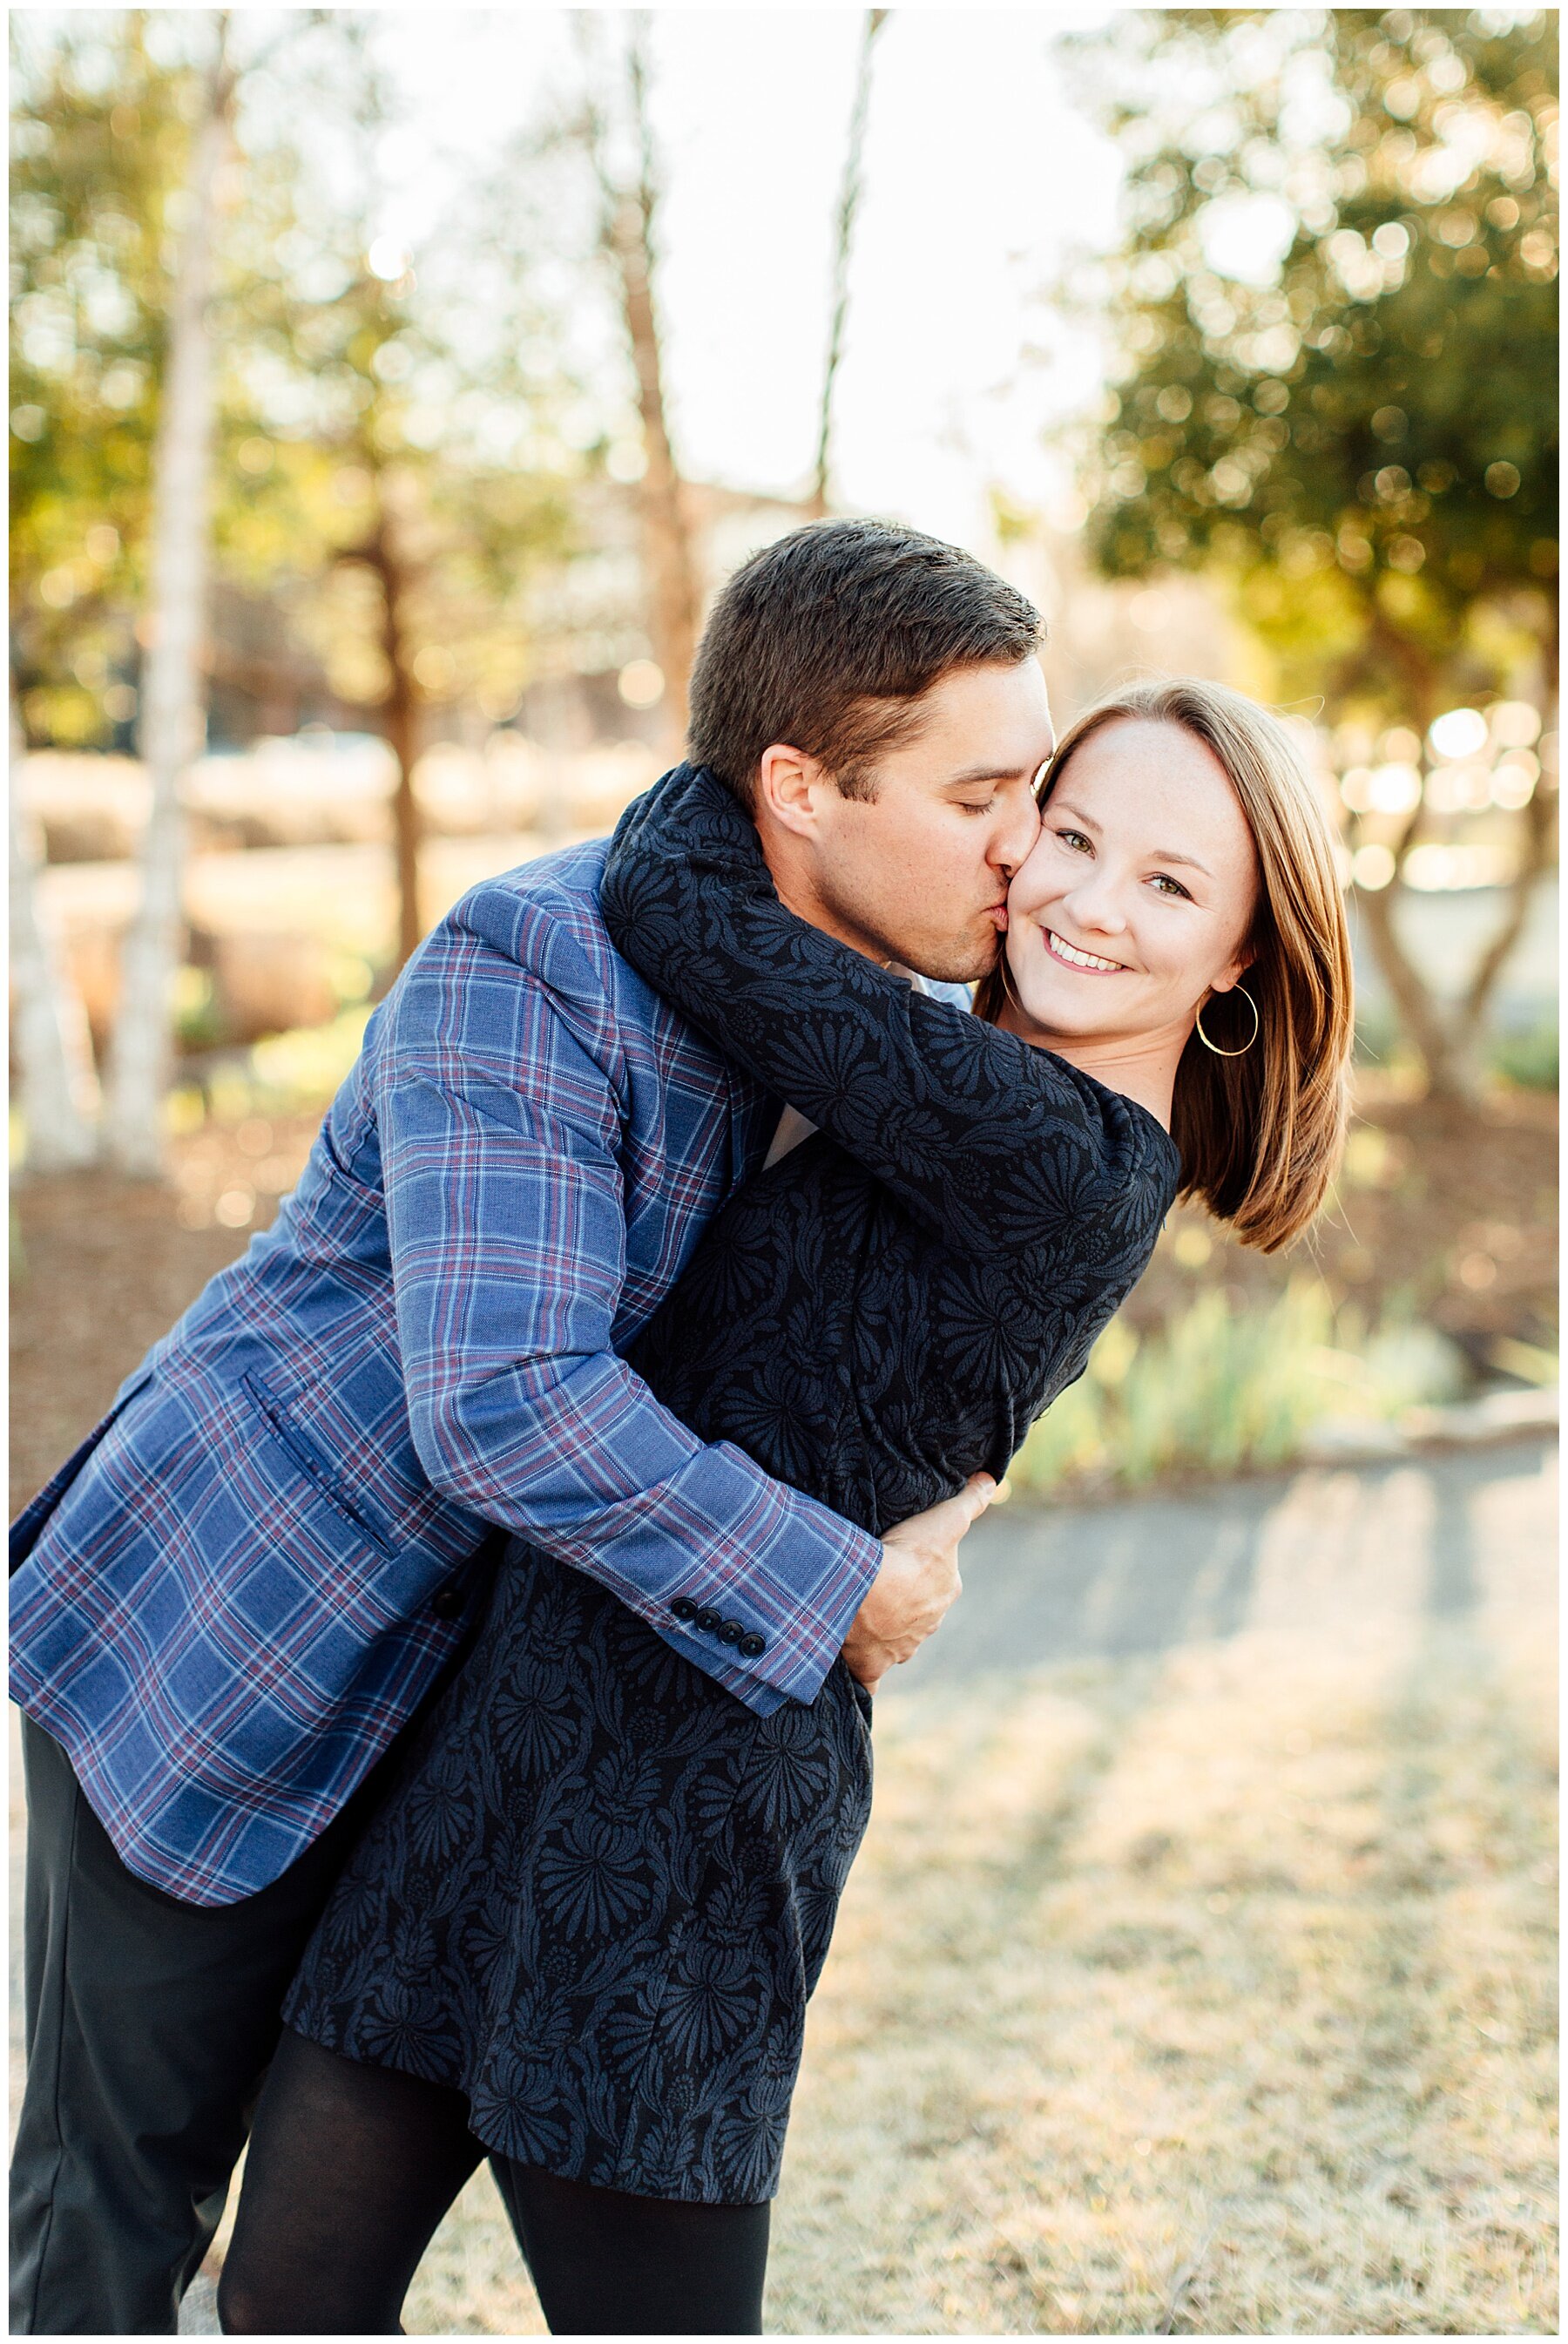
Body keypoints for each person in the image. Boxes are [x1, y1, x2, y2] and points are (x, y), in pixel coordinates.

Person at [8, 518, 1053, 2337]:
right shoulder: (539, 964)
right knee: (119, 2207)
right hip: (231, 1634)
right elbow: (504, 1399)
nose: (1021, 841)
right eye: (982, 790)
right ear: (802, 788)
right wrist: (835, 1590)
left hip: (460, 1693)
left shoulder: (855, 1005)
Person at [214, 675, 1354, 2334]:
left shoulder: (1062, 1152)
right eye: (1069, 831)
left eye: (1171, 884)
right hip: (503, 1734)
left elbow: (684, 892)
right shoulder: (948, 1076)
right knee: (286, 2303)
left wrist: (766, 747)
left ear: (1242, 952)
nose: (1088, 900)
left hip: (688, 1813)